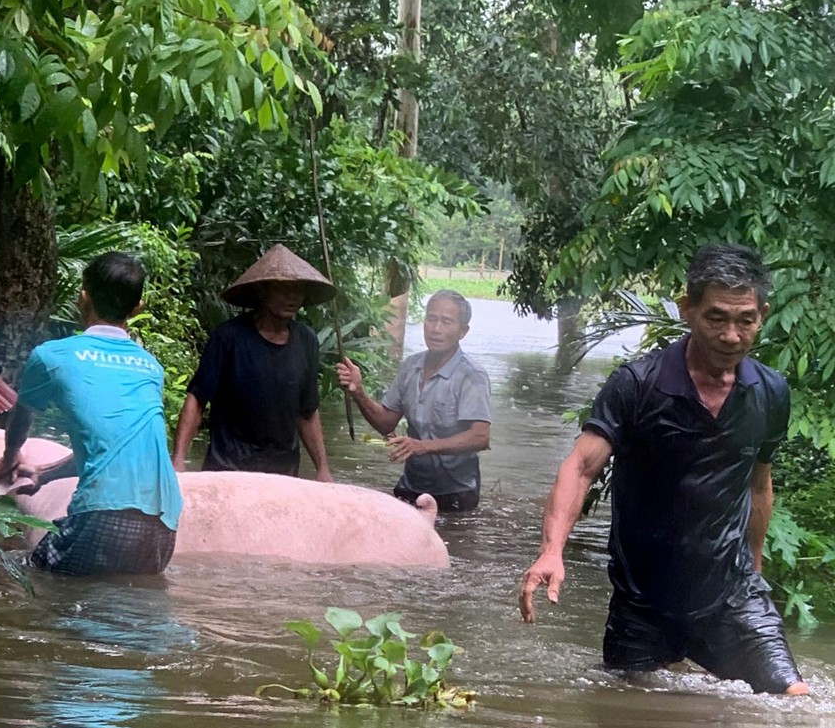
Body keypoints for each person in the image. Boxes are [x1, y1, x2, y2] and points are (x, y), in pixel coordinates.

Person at [519, 243, 809, 695]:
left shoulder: (770, 392)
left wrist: (753, 567)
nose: (732, 335)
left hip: (732, 594)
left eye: (745, 320)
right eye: (716, 317)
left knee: (796, 704)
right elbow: (580, 467)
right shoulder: (637, 384)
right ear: (688, 309)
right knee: (626, 705)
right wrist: (552, 550)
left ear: (762, 315)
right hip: (643, 601)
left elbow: (758, 484)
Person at [0, 252, 183, 576]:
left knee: (25, 578)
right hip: (165, 519)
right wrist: (45, 474)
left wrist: (10, 456)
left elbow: (21, 421)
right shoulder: (150, 367)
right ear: (137, 308)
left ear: (82, 296)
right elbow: (116, 445)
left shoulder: (51, 356)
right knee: (128, 606)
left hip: (105, 512)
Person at [172, 244, 334, 481]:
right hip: (229, 468)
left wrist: (323, 468)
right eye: (283, 290)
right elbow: (197, 399)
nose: (292, 298)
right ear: (262, 291)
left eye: (298, 291)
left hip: (283, 472)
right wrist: (178, 460)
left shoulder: (306, 340)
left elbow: (307, 412)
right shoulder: (229, 337)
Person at [336, 289, 491, 513]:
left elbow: (480, 436)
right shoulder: (411, 367)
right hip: (411, 486)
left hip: (455, 492)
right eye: (431, 319)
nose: (436, 329)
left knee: (453, 545)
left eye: (446, 322)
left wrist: (423, 446)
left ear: (463, 331)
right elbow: (385, 423)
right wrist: (359, 392)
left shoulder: (472, 375)